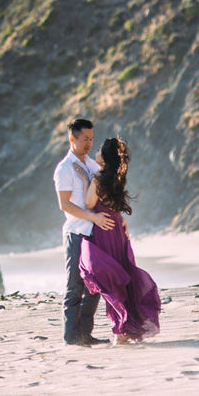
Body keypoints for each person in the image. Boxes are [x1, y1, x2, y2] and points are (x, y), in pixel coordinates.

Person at [80, 137, 161, 343]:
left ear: (104, 157)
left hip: (105, 232)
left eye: (98, 149)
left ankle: (120, 332)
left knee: (109, 280)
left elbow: (89, 203)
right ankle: (124, 331)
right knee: (121, 279)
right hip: (117, 231)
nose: (95, 152)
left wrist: (84, 181)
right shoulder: (117, 177)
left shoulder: (98, 178)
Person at [54, 118, 114, 346]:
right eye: (84, 139)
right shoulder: (64, 168)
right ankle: (71, 337)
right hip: (76, 233)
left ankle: (85, 334)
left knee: (94, 286)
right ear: (72, 139)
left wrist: (119, 219)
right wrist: (93, 217)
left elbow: (105, 196)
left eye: (91, 139)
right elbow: (65, 205)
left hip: (97, 233)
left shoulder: (93, 165)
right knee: (75, 286)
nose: (89, 143)